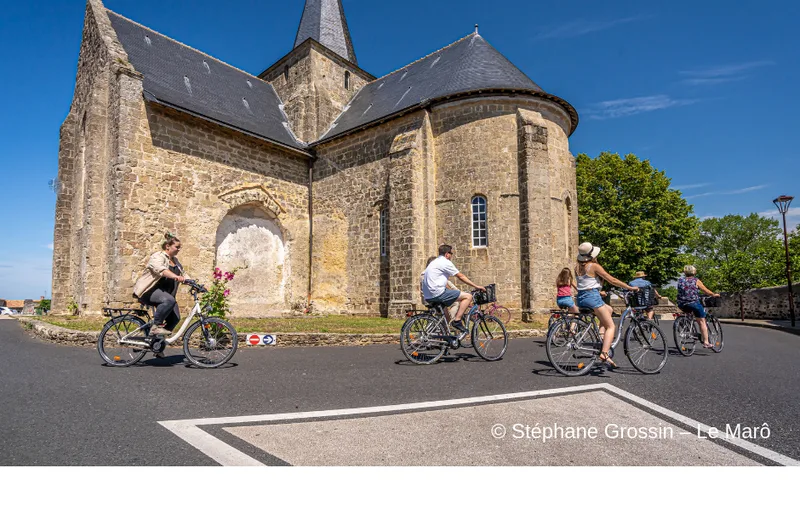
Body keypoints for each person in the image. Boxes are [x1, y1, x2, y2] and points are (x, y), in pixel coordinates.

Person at [575, 242, 639, 368]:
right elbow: (612, 280)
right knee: (611, 326)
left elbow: (586, 283)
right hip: (593, 298)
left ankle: (600, 337)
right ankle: (604, 353)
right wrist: (629, 287)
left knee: (608, 309)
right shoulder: (594, 266)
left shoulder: (577, 267)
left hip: (581, 298)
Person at [132, 232, 187, 356]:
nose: (179, 249)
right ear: (168, 246)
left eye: (179, 247)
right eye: (176, 247)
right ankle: (155, 326)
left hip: (165, 295)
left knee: (175, 318)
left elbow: (184, 274)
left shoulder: (176, 261)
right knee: (169, 301)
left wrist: (196, 284)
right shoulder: (158, 256)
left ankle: (156, 344)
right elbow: (161, 270)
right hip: (149, 291)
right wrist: (176, 277)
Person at [421, 244, 485, 334]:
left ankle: (445, 339)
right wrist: (476, 286)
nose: (451, 256)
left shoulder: (434, 262)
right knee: (468, 297)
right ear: (447, 254)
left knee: (446, 317)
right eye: (451, 253)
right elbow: (461, 276)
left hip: (428, 296)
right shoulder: (445, 262)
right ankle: (457, 321)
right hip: (438, 293)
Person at [677, 265, 721, 349]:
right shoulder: (695, 280)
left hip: (681, 304)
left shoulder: (680, 280)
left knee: (689, 314)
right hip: (693, 303)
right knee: (701, 321)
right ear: (694, 272)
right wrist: (713, 294)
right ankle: (706, 342)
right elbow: (705, 290)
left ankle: (688, 328)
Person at [420, 256, 458, 321]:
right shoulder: (431, 273)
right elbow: (444, 286)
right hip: (433, 297)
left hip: (426, 298)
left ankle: (444, 323)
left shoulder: (423, 273)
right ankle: (450, 322)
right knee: (456, 303)